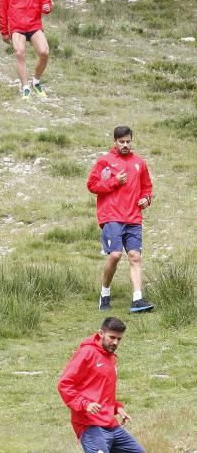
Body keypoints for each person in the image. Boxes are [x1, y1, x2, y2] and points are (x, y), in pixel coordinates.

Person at [58, 317, 151, 453]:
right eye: (112, 337)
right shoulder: (86, 354)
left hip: (109, 421)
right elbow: (64, 384)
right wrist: (84, 404)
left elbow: (102, 388)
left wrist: (117, 406)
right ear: (100, 333)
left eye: (119, 339)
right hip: (88, 424)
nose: (116, 342)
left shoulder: (111, 358)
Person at [87, 126, 154, 313]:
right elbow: (92, 185)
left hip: (134, 217)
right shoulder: (104, 162)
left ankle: (137, 299)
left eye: (128, 141)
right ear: (115, 142)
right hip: (112, 216)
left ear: (131, 141)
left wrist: (146, 199)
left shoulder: (140, 163)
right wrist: (115, 181)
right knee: (115, 255)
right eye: (121, 142)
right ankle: (105, 294)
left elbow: (147, 187)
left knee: (135, 256)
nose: (125, 145)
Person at [0, 0, 53, 99]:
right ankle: (25, 87)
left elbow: (46, 2)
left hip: (34, 25)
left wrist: (47, 7)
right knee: (20, 52)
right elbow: (2, 9)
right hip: (17, 27)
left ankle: (36, 81)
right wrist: (4, 30)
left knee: (44, 52)